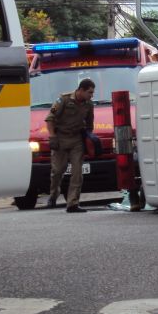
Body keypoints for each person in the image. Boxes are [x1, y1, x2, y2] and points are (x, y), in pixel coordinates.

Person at [45, 78, 96, 213]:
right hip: (60, 139)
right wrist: (52, 136)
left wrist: (89, 139)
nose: (91, 95)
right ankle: (53, 194)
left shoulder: (89, 105)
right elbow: (50, 119)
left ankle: (72, 203)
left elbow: (89, 125)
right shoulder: (64, 100)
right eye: (90, 92)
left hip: (77, 140)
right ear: (81, 90)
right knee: (57, 171)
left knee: (77, 173)